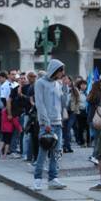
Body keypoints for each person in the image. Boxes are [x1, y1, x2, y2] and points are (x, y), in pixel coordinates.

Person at [32, 59, 67, 191]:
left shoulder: (58, 84)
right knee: (43, 151)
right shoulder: (40, 83)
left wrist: (65, 88)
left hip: (58, 122)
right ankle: (37, 179)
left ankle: (53, 178)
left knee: (56, 152)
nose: (63, 73)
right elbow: (39, 104)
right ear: (55, 70)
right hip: (47, 123)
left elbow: (63, 103)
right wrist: (45, 122)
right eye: (61, 70)